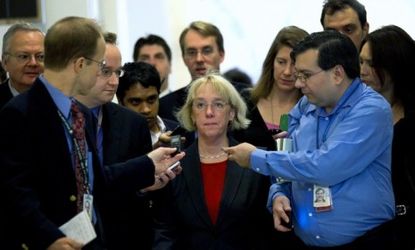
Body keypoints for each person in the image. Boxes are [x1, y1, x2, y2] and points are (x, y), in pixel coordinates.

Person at [0, 16, 184, 249]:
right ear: (80, 65)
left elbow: (95, 179)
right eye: (100, 66)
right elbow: (16, 194)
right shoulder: (20, 113)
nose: (107, 77)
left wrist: (148, 165)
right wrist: (50, 239)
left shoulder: (80, 113)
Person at [224, 30, 396, 249]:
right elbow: (287, 152)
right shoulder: (306, 105)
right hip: (304, 241)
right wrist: (279, 192)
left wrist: (255, 158)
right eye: (298, 75)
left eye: (306, 75)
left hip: (367, 241)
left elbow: (325, 166)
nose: (298, 84)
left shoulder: (371, 111)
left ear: (337, 74)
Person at [153, 74, 278, 249]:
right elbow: (165, 230)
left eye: (218, 104)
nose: (209, 112)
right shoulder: (174, 164)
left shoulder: (254, 161)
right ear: (192, 114)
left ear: (232, 113)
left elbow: (266, 229)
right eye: (201, 105)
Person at [75, 32, 175, 249]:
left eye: (117, 72)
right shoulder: (57, 116)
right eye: (105, 71)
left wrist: (143, 185)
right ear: (80, 67)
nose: (114, 81)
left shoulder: (133, 123)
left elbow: (144, 204)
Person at [359, 25, 415, 249]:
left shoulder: (411, 119)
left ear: (394, 66)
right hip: (366, 230)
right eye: (361, 61)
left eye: (371, 64)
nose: (362, 70)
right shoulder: (353, 114)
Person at [234, 26, 308, 150]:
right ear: (271, 62)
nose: (287, 72)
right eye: (281, 62)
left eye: (294, 64)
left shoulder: (312, 111)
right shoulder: (244, 102)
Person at [158, 21, 246, 121]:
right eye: (191, 52)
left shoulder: (248, 98)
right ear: (183, 58)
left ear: (221, 55)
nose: (199, 59)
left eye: (207, 51)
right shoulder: (165, 107)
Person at [117, 61, 194, 149]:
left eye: (151, 99)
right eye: (136, 102)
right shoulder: (113, 139)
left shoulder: (180, 131)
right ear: (120, 102)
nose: (146, 109)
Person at [0, 22, 44, 109]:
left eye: (40, 56)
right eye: (24, 56)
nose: (33, 63)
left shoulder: (61, 100)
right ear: (5, 62)